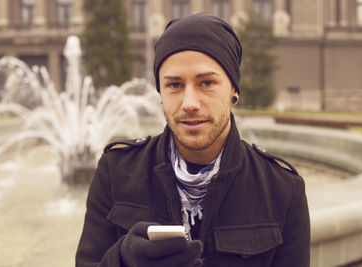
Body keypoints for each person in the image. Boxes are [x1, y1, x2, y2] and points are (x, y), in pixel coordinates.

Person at [76, 13, 310, 267]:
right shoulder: (116, 172)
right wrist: (121, 259)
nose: (189, 103)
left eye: (206, 83)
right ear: (160, 93)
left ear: (233, 90)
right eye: (175, 85)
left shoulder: (282, 190)